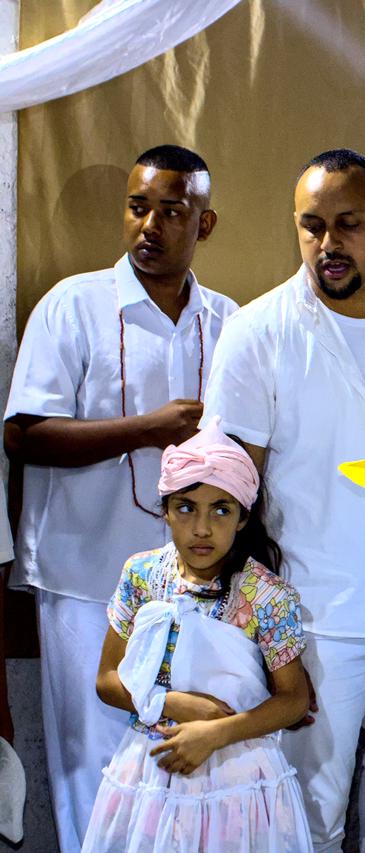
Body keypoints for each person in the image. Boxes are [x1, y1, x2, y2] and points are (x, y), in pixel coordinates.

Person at [200, 149, 365, 851]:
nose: (327, 244)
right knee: (303, 823)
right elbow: (229, 492)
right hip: (314, 627)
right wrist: (251, 631)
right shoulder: (258, 334)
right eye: (310, 226)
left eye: (346, 225)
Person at [4, 145, 236, 850]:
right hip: (82, 576)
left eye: (173, 210)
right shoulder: (72, 306)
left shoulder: (228, 322)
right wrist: (148, 430)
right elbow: (24, 433)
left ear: (206, 223)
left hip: (190, 584)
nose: (151, 225)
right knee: (92, 767)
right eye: (139, 207)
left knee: (177, 760)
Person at [83, 420, 311, 852]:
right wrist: (169, 704)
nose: (202, 528)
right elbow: (107, 680)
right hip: (152, 767)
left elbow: (293, 699)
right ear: (165, 510)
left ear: (244, 517)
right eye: (186, 507)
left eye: (220, 509)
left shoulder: (266, 594)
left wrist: (214, 734)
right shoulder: (142, 575)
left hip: (238, 774)